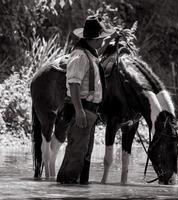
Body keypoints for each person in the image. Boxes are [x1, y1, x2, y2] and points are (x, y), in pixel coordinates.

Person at [57, 15, 117, 184]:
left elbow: (100, 48)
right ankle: (66, 187)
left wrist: (111, 39)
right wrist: (79, 111)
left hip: (89, 111)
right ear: (94, 39)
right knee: (76, 153)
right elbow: (74, 84)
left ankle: (79, 190)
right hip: (82, 109)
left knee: (84, 154)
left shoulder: (89, 52)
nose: (103, 41)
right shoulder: (79, 56)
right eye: (102, 38)